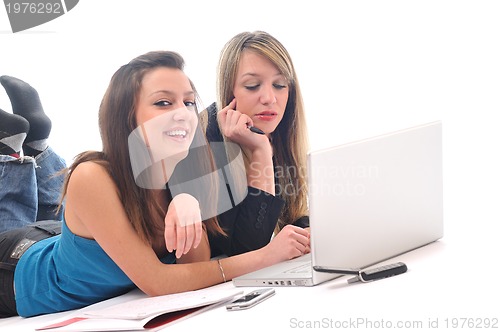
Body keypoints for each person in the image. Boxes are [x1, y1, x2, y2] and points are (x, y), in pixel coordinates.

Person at [0, 51, 310, 318]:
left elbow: (194, 264)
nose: (182, 114)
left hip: (60, 241)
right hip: (15, 270)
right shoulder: (91, 176)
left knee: (52, 212)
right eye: (163, 102)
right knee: (13, 218)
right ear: (127, 116)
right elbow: (159, 283)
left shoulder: (180, 170)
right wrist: (267, 256)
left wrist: (189, 198)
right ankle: (14, 153)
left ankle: (35, 147)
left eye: (189, 102)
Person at [202, 31, 310, 257]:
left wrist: (308, 232)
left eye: (280, 84)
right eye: (252, 85)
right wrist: (260, 152)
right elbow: (246, 249)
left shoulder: (277, 133)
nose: (269, 98)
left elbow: (291, 217)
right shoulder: (205, 141)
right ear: (228, 92)